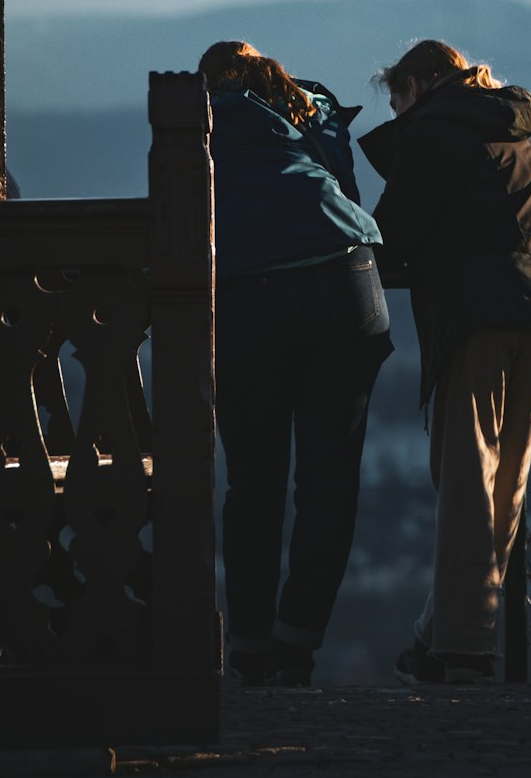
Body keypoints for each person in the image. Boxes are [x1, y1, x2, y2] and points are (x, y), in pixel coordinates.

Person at [359, 39, 531, 686]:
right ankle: (443, 635)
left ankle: (464, 650)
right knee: (504, 489)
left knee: (466, 480)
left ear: (415, 88)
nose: (396, 119)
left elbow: (390, 237)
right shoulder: (525, 142)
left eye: (395, 104)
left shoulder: (432, 133)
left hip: (479, 317)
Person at [201, 40, 392, 687]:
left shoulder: (200, 121)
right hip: (348, 284)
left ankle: (249, 647)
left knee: (253, 483)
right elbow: (345, 193)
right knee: (328, 481)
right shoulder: (313, 110)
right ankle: (294, 647)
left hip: (250, 292)